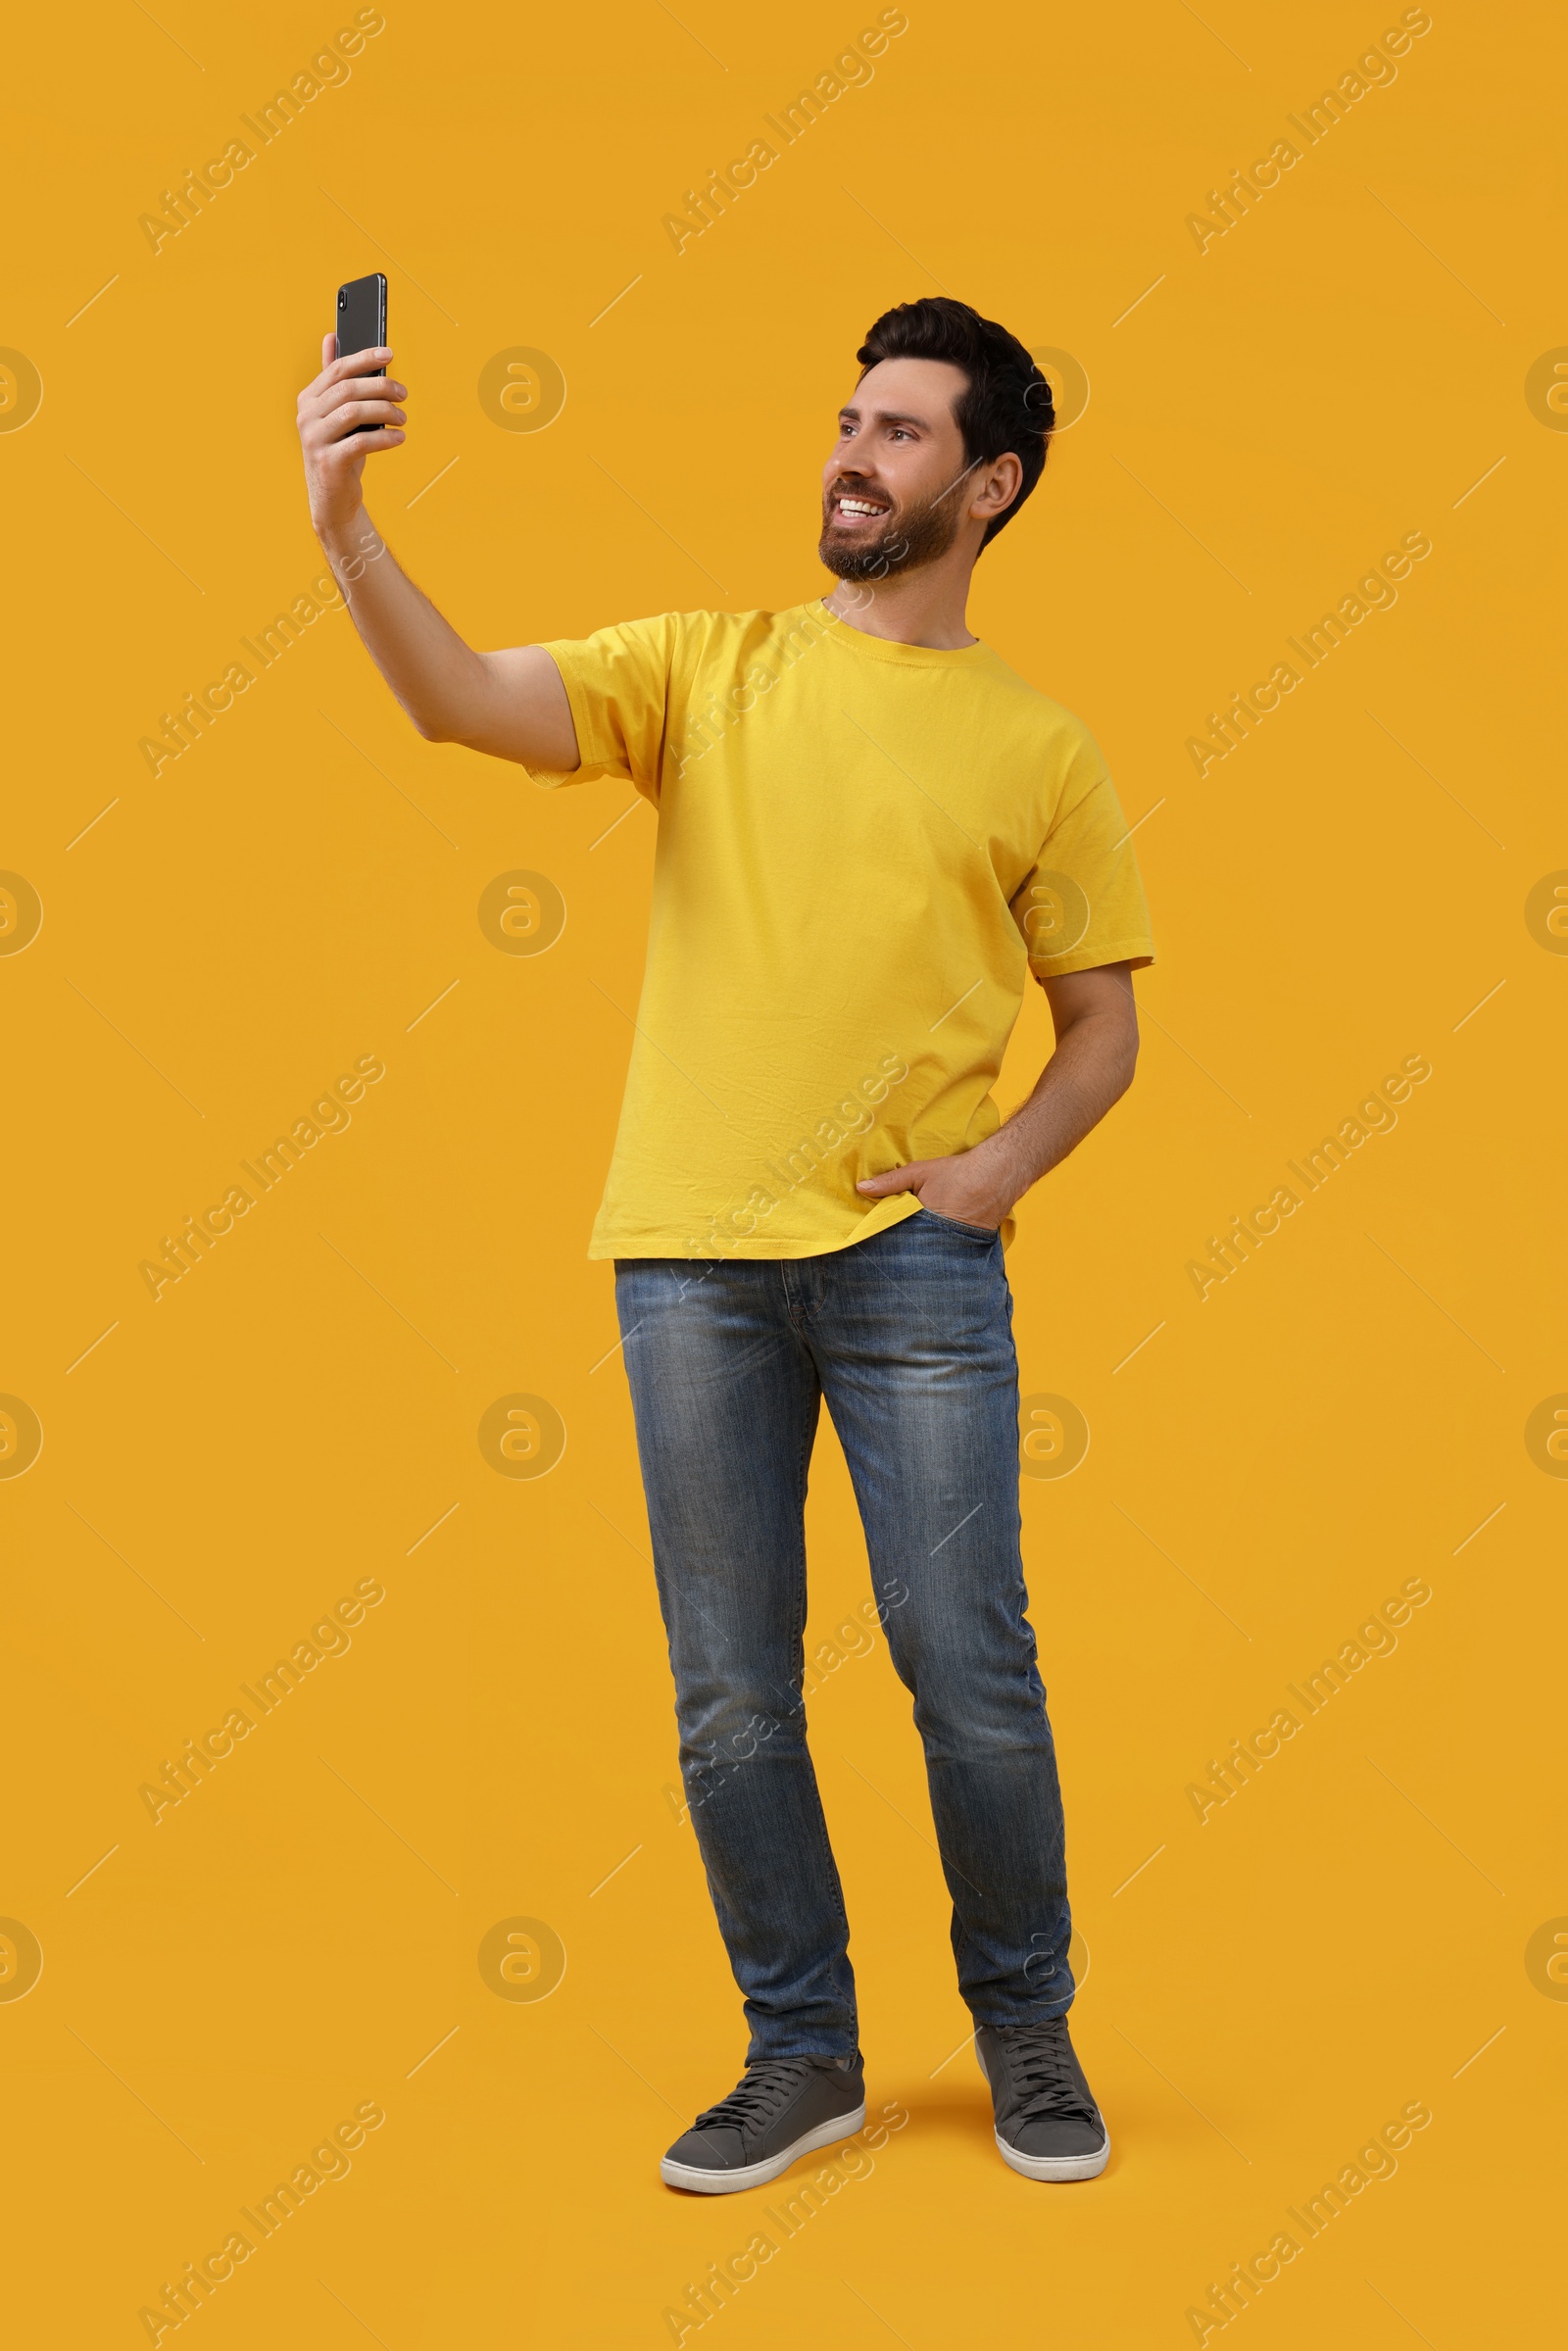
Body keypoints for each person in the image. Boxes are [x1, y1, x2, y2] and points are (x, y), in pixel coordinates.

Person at [296, 294, 1153, 2193]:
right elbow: (456, 702)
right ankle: (802, 2053)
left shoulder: (1037, 747)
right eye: (846, 419)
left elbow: (1101, 1024)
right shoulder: (705, 667)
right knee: (728, 1689)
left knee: (967, 1663)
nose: (851, 453)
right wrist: (345, 525)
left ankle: (1024, 2029)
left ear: (988, 484)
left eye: (902, 432)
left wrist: (991, 1175)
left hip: (913, 1270)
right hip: (688, 1265)